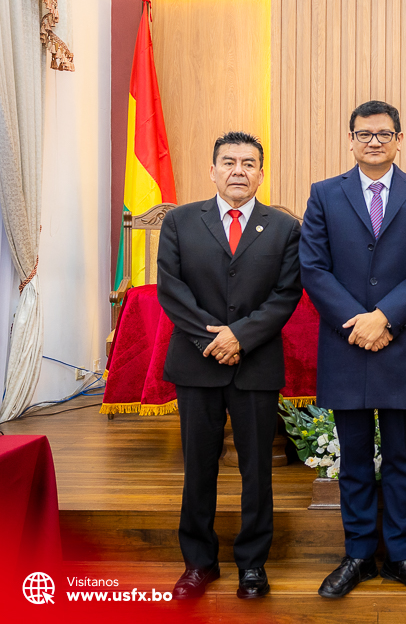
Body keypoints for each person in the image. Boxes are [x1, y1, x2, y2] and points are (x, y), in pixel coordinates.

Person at [300, 101, 406, 598]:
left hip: (399, 343)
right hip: (347, 347)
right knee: (356, 459)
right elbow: (314, 270)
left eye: (384, 134)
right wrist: (357, 325)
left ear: (400, 140)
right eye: (364, 134)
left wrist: (383, 318)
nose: (374, 141)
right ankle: (359, 555)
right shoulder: (324, 194)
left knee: (402, 460)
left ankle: (403, 556)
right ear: (351, 140)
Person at [157, 131, 303, 600]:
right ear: (213, 169)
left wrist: (239, 336)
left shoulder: (283, 228)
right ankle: (198, 564)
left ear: (261, 172)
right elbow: (171, 290)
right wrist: (213, 337)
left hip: (255, 365)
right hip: (197, 364)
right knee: (199, 467)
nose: (238, 170)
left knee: (257, 471)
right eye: (229, 162)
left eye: (248, 163)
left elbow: (286, 295)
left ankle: (252, 566)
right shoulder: (180, 221)